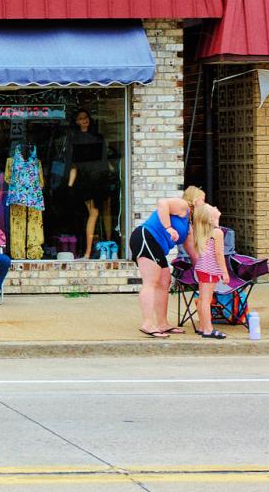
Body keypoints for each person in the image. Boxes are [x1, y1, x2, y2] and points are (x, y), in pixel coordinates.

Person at [128, 186, 204, 337]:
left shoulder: (188, 226)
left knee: (164, 281)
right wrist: (168, 228)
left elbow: (193, 252)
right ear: (194, 200)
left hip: (157, 246)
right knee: (151, 281)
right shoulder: (183, 206)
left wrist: (202, 271)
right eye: (203, 199)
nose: (205, 203)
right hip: (146, 237)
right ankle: (148, 324)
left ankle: (162, 324)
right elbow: (163, 203)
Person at [65, 109, 114, 258]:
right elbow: (74, 165)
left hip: (101, 177)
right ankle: (87, 252)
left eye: (86, 117)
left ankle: (110, 245)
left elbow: (105, 160)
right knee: (94, 213)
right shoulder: (75, 139)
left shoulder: (98, 137)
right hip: (87, 180)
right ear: (76, 121)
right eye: (80, 118)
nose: (84, 120)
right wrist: (69, 185)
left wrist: (111, 171)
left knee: (106, 211)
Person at [187, 203, 229, 339]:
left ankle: (202, 326)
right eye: (213, 208)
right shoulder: (217, 232)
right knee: (206, 300)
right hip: (210, 270)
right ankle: (208, 329)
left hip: (202, 268)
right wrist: (224, 272)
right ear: (211, 217)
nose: (216, 208)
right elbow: (219, 254)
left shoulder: (203, 231)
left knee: (201, 299)